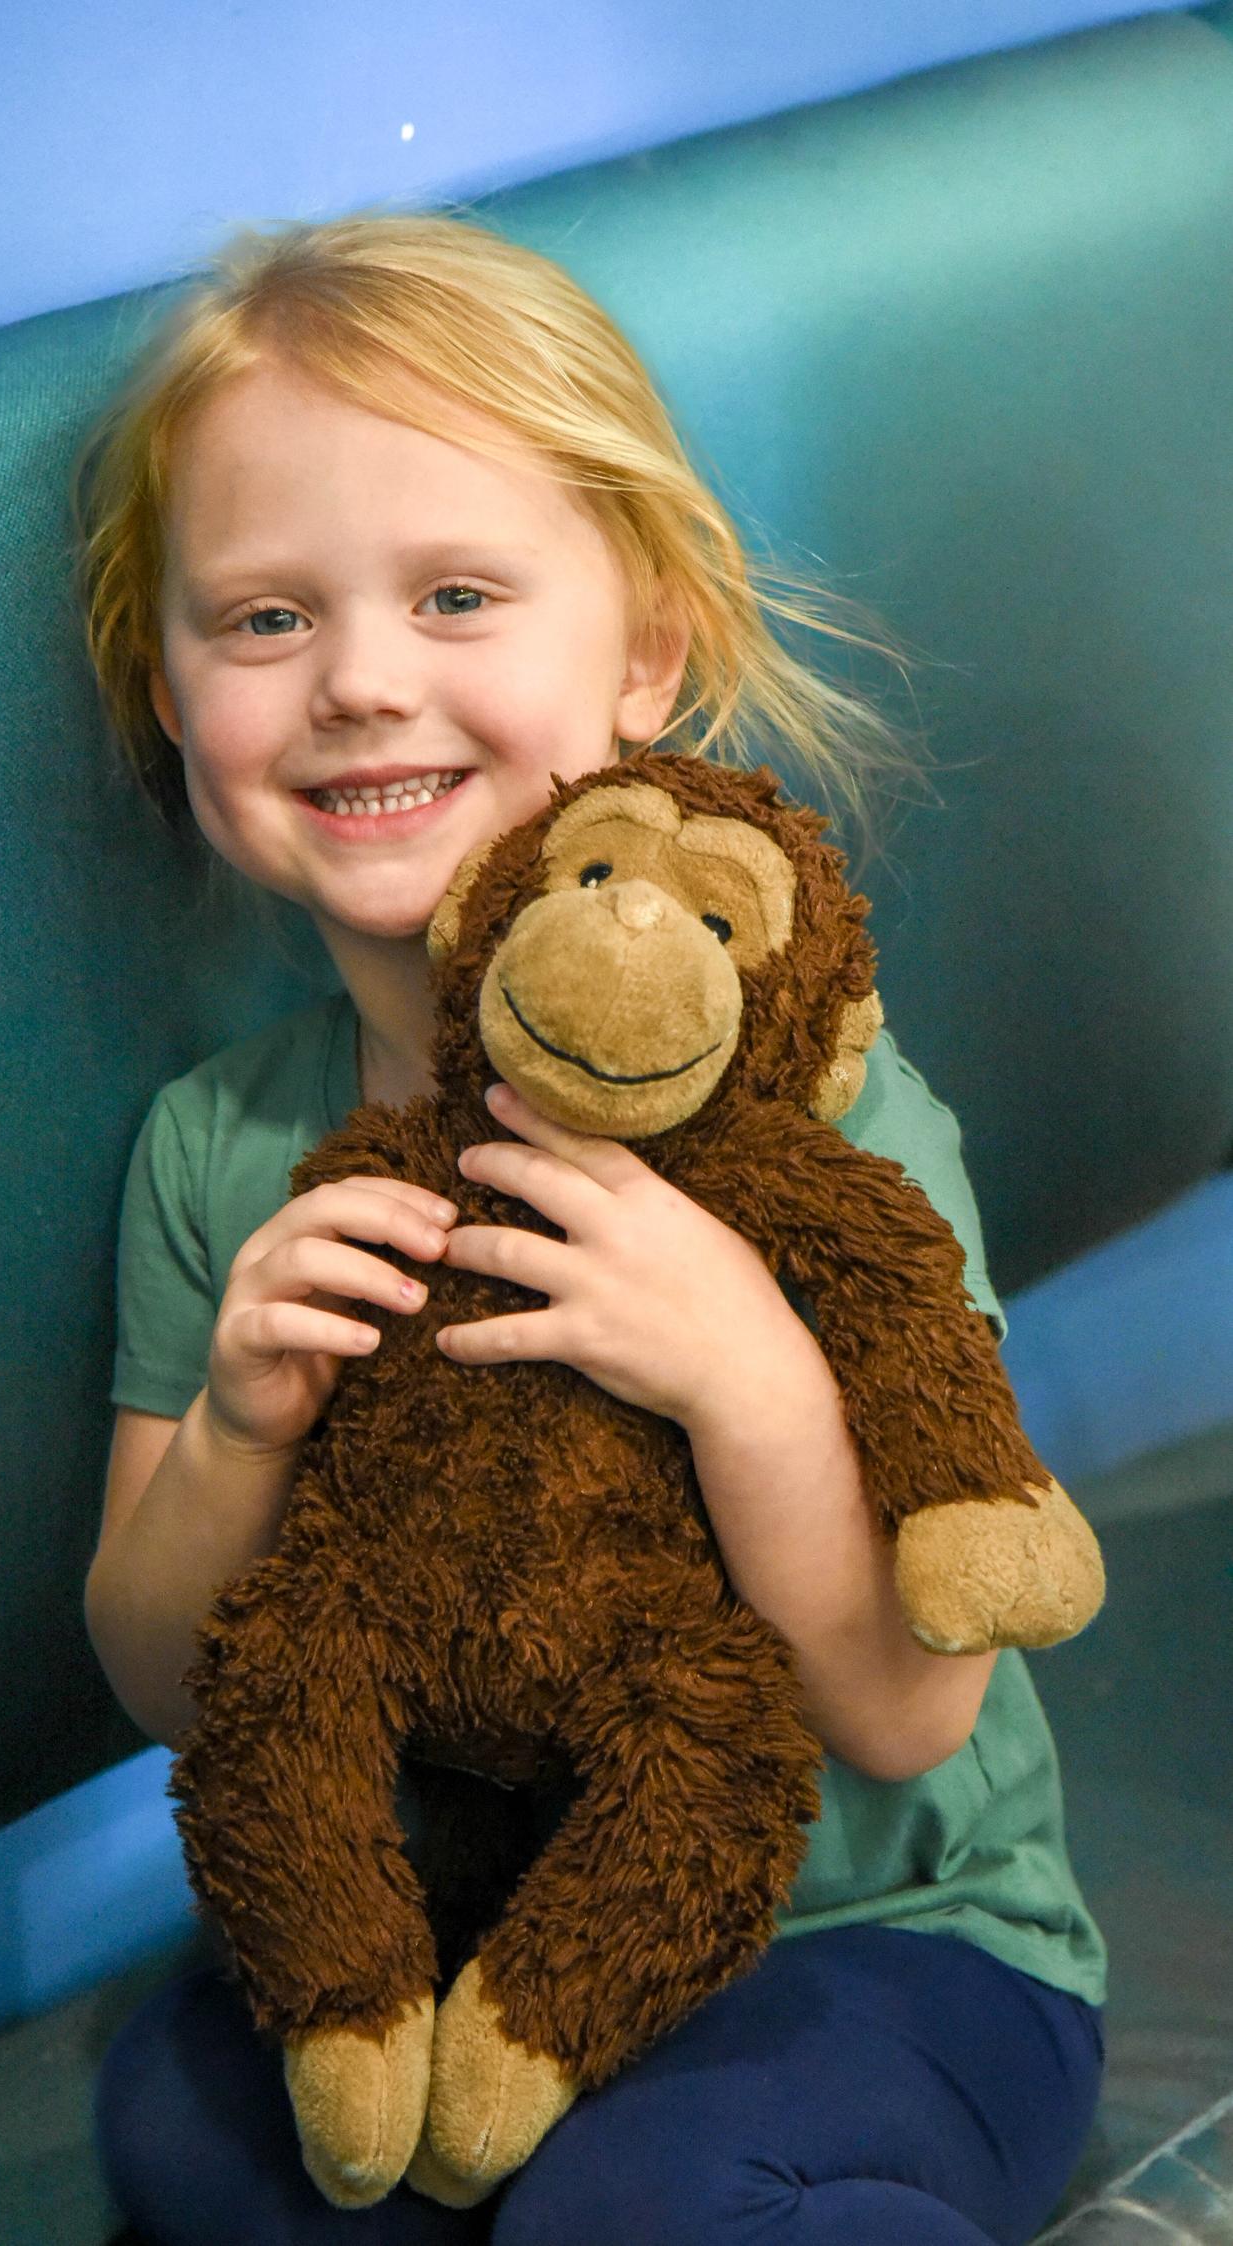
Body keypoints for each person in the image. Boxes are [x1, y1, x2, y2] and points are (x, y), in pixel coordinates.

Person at [72, 211, 1106, 2246]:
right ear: (172, 694)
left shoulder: (844, 1124)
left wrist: (739, 1366)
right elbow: (160, 1678)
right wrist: (235, 1431)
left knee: (651, 2201)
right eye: (262, 621)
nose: (364, 681)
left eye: (457, 595)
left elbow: (912, 1712)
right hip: (456, 1955)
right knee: (185, 2121)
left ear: (642, 652)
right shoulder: (223, 1150)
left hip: (889, 1943)